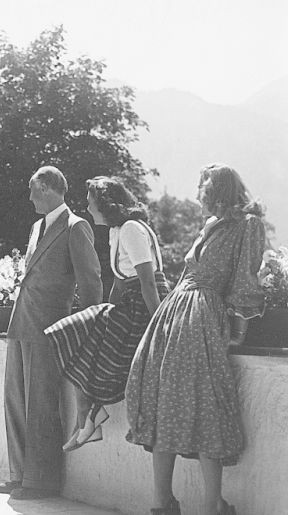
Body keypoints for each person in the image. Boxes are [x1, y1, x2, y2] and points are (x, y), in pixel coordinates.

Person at [125, 164, 265, 515]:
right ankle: (164, 503)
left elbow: (245, 280)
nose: (197, 194)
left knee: (203, 404)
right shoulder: (209, 224)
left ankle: (212, 505)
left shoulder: (247, 224)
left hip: (202, 313)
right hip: (175, 312)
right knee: (161, 399)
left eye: (202, 187)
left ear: (216, 189)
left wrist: (238, 332)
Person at [0, 166, 102, 500]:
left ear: (46, 189)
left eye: (32, 190)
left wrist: (87, 326)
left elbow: (91, 281)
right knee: (14, 399)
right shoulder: (36, 227)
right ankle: (20, 474)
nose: (29, 198)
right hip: (21, 324)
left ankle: (41, 482)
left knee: (42, 404)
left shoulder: (76, 227)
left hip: (50, 327)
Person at [44, 176, 170, 452]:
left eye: (91, 204)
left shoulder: (131, 229)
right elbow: (120, 281)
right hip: (130, 302)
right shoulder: (116, 231)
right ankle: (87, 418)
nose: (87, 209)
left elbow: (148, 281)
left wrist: (159, 325)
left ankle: (88, 419)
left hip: (144, 306)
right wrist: (105, 313)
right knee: (82, 335)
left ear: (106, 205)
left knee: (80, 334)